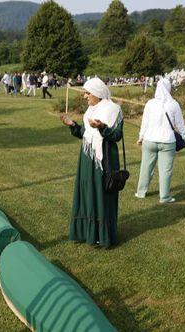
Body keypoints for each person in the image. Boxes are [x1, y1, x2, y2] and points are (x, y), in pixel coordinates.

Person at [60, 77, 123, 248]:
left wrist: (102, 127)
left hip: (105, 161)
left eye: (88, 93)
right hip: (88, 159)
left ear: (97, 93)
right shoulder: (90, 110)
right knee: (87, 193)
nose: (85, 96)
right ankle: (88, 232)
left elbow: (117, 136)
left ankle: (102, 235)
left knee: (102, 194)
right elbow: (85, 133)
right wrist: (73, 125)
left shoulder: (113, 110)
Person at [135, 79, 185, 203]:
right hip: (167, 140)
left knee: (146, 167)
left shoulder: (150, 103)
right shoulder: (174, 104)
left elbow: (145, 122)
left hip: (149, 139)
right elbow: (180, 124)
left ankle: (141, 192)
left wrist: (141, 136)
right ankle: (164, 197)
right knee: (165, 170)